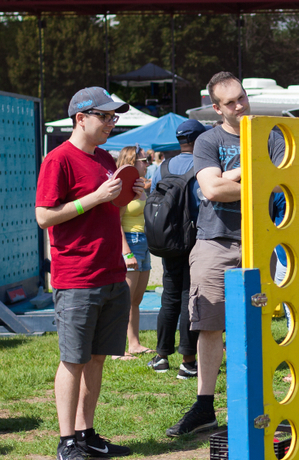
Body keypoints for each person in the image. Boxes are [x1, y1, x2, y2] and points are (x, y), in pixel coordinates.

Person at [166, 72, 286, 437]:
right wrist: (251, 174)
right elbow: (212, 190)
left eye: (243, 97)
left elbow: (279, 184)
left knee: (257, 326)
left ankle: (261, 408)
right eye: (231, 102)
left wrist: (230, 178)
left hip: (259, 242)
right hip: (215, 242)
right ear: (216, 108)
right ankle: (205, 407)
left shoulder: (272, 136)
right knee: (209, 324)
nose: (240, 105)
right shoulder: (208, 140)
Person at [35, 87, 140, 460]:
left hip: (111, 273)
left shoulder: (104, 158)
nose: (112, 123)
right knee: (73, 360)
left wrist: (130, 193)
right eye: (106, 117)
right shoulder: (58, 159)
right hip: (77, 277)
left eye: (114, 117)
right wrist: (95, 198)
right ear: (81, 118)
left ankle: (86, 434)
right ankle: (66, 444)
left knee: (96, 358)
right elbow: (44, 217)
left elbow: (109, 206)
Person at [147, 119, 206, 379]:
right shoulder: (201, 166)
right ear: (199, 139)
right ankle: (188, 361)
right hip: (194, 237)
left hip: (168, 238)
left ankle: (161, 356)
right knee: (188, 299)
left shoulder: (163, 166)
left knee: (169, 296)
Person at [113, 145, 153, 359]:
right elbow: (115, 221)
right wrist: (126, 251)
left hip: (143, 242)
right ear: (132, 161)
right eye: (143, 160)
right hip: (130, 241)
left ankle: (134, 344)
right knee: (124, 300)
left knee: (136, 299)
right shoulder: (122, 186)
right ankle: (117, 349)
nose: (147, 163)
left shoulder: (139, 185)